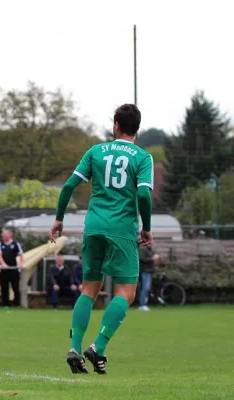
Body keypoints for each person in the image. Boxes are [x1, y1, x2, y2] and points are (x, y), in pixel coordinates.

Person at [50, 103, 153, 375]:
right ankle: (98, 347)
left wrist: (59, 218)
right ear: (137, 129)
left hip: (93, 227)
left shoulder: (96, 151)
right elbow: (143, 195)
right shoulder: (142, 157)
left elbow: (70, 185)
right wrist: (147, 227)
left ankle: (75, 347)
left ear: (115, 125)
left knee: (88, 289)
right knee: (126, 293)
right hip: (122, 230)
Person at [0, 229, 24, 307]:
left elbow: (21, 255)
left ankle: (17, 304)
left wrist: (20, 264)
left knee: (15, 288)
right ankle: (6, 304)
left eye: (4, 235)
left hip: (13, 270)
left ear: (10, 235)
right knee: (4, 288)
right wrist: (3, 264)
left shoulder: (15, 244)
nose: (2, 236)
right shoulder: (0, 244)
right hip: (4, 270)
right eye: (2, 235)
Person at [138, 238, 159, 312]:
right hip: (144, 271)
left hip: (149, 271)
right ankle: (142, 305)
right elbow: (142, 259)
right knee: (145, 288)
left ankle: (143, 304)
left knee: (146, 288)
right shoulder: (143, 249)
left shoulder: (150, 249)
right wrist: (152, 259)